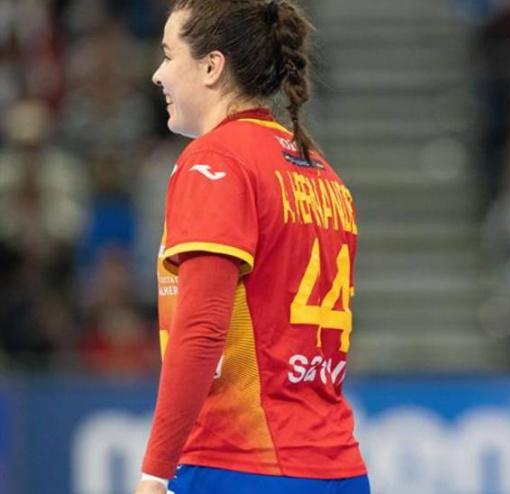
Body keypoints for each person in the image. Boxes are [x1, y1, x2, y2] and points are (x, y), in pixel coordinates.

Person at [135, 1, 369, 493]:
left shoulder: (215, 161)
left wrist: (154, 471)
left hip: (240, 463)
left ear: (211, 66)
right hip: (340, 469)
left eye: (168, 55)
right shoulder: (322, 172)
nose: (158, 74)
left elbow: (201, 331)